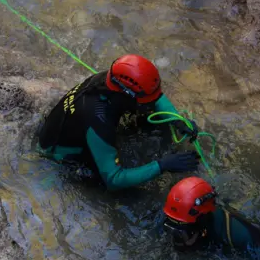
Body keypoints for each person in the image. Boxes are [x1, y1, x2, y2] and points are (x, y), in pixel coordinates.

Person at [37, 54, 200, 190]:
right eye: (145, 100)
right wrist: (162, 165)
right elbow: (114, 179)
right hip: (63, 158)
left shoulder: (111, 80)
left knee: (151, 122)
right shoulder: (98, 120)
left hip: (70, 127)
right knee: (132, 195)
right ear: (128, 96)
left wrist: (176, 119)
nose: (151, 103)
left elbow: (155, 96)